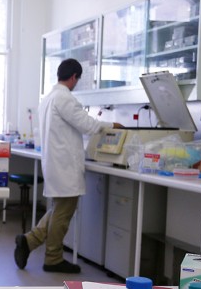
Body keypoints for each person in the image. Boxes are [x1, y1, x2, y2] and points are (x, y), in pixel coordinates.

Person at [14, 58, 122, 273]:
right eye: (78, 79)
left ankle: (29, 241)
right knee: (63, 213)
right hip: (64, 166)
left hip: (55, 163)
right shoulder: (65, 98)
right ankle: (53, 259)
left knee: (58, 209)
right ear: (74, 77)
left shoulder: (48, 98)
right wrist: (112, 125)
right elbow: (87, 124)